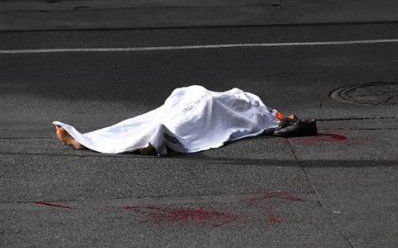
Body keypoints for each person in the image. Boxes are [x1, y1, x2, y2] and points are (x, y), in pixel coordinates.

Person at [54, 85, 317, 156]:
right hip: (198, 100)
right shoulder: (263, 109)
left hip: (209, 110)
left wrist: (278, 121)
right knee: (151, 118)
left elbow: (241, 122)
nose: (289, 116)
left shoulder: (268, 119)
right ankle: (91, 140)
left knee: (174, 125)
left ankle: (152, 141)